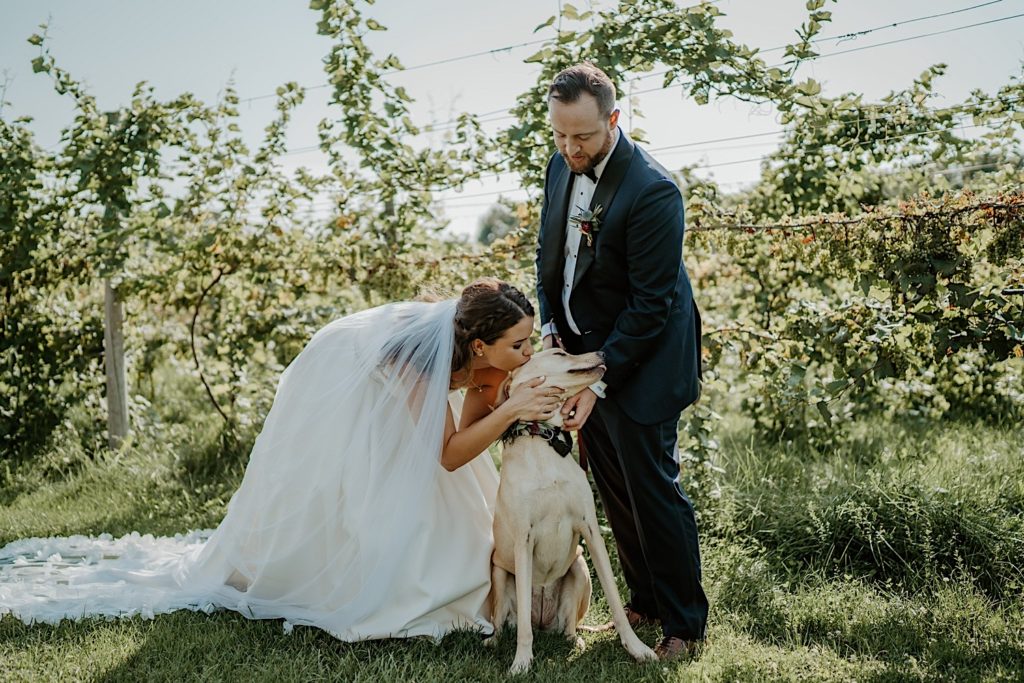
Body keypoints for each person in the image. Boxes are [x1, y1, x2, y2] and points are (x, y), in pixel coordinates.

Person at [0, 278, 562, 642]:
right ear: (479, 346)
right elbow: (443, 456)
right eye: (519, 344)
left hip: (426, 404)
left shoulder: (498, 365)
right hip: (357, 377)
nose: (528, 353)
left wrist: (503, 401)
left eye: (530, 340)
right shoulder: (421, 359)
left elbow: (468, 445)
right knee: (365, 481)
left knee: (460, 509)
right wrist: (511, 411)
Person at [535, 62, 708, 660]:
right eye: (558, 134)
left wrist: (598, 377)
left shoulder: (653, 190)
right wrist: (554, 329)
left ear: (614, 119)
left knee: (653, 493)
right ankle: (644, 600)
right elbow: (549, 254)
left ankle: (685, 623)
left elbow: (651, 305)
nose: (568, 147)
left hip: (645, 361)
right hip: (584, 355)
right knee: (612, 490)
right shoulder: (561, 164)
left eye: (581, 136)